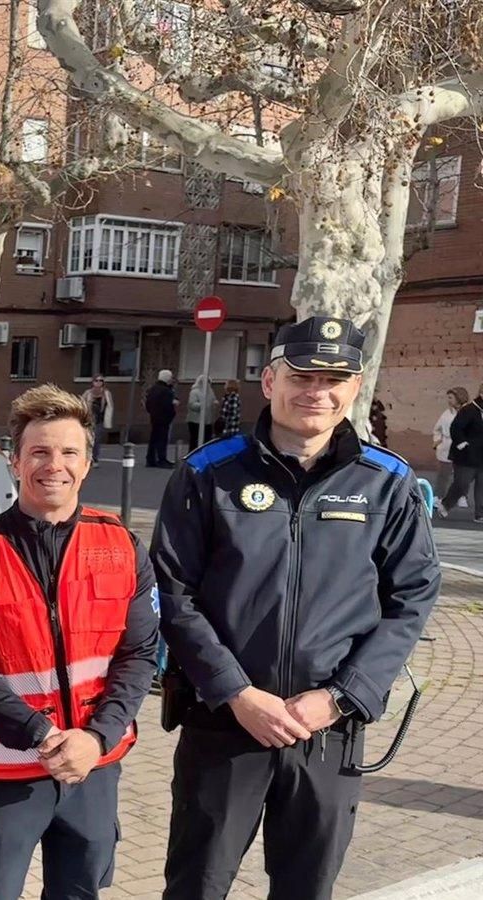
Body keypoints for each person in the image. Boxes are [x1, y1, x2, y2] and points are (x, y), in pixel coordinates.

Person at [153, 316, 442, 900]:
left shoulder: (386, 482)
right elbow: (173, 592)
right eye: (302, 375)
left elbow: (411, 597)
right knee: (196, 885)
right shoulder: (208, 473)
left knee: (308, 888)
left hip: (326, 729)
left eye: (335, 377)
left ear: (354, 388)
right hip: (226, 723)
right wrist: (237, 693)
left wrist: (339, 698)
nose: (317, 390)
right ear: (269, 381)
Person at [0, 384, 159, 900]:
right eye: (39, 452)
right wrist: (41, 734)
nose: (54, 465)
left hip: (95, 763)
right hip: (9, 769)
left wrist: (96, 738)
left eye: (69, 452)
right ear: (15, 461)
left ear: (88, 463)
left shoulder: (122, 545)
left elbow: (138, 655)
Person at [440, 383, 482, 520]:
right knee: (462, 484)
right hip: (466, 457)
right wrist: (463, 445)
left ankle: (480, 514)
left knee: (482, 486)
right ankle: (446, 504)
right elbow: (456, 428)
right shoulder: (469, 410)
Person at [433, 387, 467, 502]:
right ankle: (439, 496)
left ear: (459, 398)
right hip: (446, 446)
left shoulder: (469, 412)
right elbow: (437, 429)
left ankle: (461, 496)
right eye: (448, 397)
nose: (449, 400)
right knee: (443, 474)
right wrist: (437, 441)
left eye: (451, 397)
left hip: (463, 446)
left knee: (461, 474)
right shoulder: (446, 414)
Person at [145, 369, 178, 468]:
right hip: (164, 418)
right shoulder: (166, 391)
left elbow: (148, 404)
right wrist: (172, 409)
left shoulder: (153, 389)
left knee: (154, 438)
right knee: (162, 439)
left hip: (154, 417)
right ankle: (161, 459)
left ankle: (150, 459)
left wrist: (152, 412)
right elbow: (168, 405)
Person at [80, 375, 114, 462]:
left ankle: (94, 458)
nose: (98, 382)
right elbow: (81, 404)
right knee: (88, 439)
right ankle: (87, 456)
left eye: (101, 380)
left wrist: (108, 419)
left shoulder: (106, 393)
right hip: (89, 419)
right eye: (96, 380)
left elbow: (110, 406)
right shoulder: (88, 393)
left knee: (96, 439)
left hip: (100, 420)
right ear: (93, 382)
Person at [184, 374, 216, 450]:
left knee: (207, 439)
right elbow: (192, 404)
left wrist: (214, 402)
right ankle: (192, 454)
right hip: (195, 420)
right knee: (195, 439)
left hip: (207, 420)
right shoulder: (195, 392)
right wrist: (202, 405)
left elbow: (213, 400)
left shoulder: (210, 392)